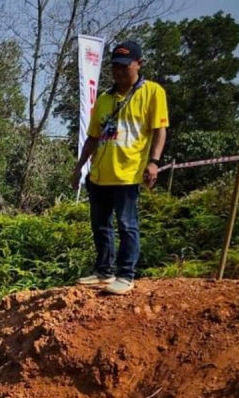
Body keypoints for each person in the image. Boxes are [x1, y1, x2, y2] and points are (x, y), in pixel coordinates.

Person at [71, 40, 168, 296]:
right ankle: (104, 271)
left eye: (125, 66)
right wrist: (80, 167)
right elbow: (93, 136)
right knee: (100, 225)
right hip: (100, 174)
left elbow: (160, 130)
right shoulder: (104, 98)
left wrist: (154, 162)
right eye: (115, 66)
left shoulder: (152, 92)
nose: (119, 71)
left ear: (139, 64)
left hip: (127, 173)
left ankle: (126, 275)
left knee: (127, 225)